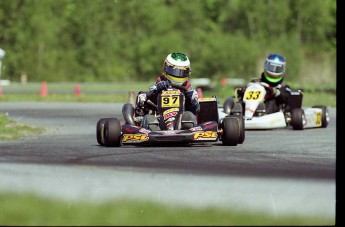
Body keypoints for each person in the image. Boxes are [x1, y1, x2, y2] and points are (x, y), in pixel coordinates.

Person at [135, 52, 200, 130]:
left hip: (182, 121)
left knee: (189, 116)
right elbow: (144, 97)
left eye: (181, 72)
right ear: (165, 68)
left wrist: (191, 100)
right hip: (158, 121)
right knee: (149, 118)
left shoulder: (188, 89)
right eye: (174, 72)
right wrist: (156, 91)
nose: (177, 75)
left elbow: (196, 110)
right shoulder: (159, 84)